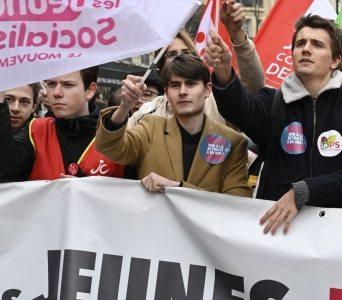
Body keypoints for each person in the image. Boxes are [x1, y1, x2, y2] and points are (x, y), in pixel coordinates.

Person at [205, 14, 342, 233]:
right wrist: (224, 70)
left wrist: (305, 191)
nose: (306, 49)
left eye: (317, 44)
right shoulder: (274, 102)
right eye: (300, 43)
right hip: (281, 238)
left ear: (335, 60)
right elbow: (238, 108)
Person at [96, 54, 252, 197]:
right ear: (167, 93)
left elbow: (237, 203)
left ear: (208, 89)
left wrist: (178, 187)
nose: (183, 91)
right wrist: (125, 106)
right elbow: (110, 147)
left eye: (191, 84)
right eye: (175, 85)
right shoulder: (150, 128)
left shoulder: (233, 142)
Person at [123, 0, 265, 128]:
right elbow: (115, 146)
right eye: (172, 54)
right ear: (161, 66)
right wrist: (125, 105)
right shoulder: (147, 113)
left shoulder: (218, 103)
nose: (180, 58)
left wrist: (237, 33)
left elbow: (253, 87)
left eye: (186, 53)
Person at [0, 68, 125, 180]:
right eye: (51, 84)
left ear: (90, 90)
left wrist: (87, 190)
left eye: (68, 85)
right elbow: (2, 163)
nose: (56, 93)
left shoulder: (118, 134)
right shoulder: (35, 130)